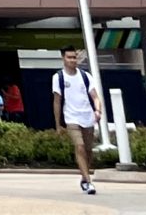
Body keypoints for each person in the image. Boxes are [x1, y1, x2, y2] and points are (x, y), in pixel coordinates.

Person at [55, 46, 103, 195]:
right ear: (63, 58)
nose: (72, 60)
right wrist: (58, 124)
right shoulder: (59, 77)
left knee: (88, 151)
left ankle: (84, 176)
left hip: (87, 116)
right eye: (69, 57)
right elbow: (57, 100)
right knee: (80, 147)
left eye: (74, 57)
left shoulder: (85, 76)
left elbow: (95, 96)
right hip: (71, 117)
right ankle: (88, 181)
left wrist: (98, 110)